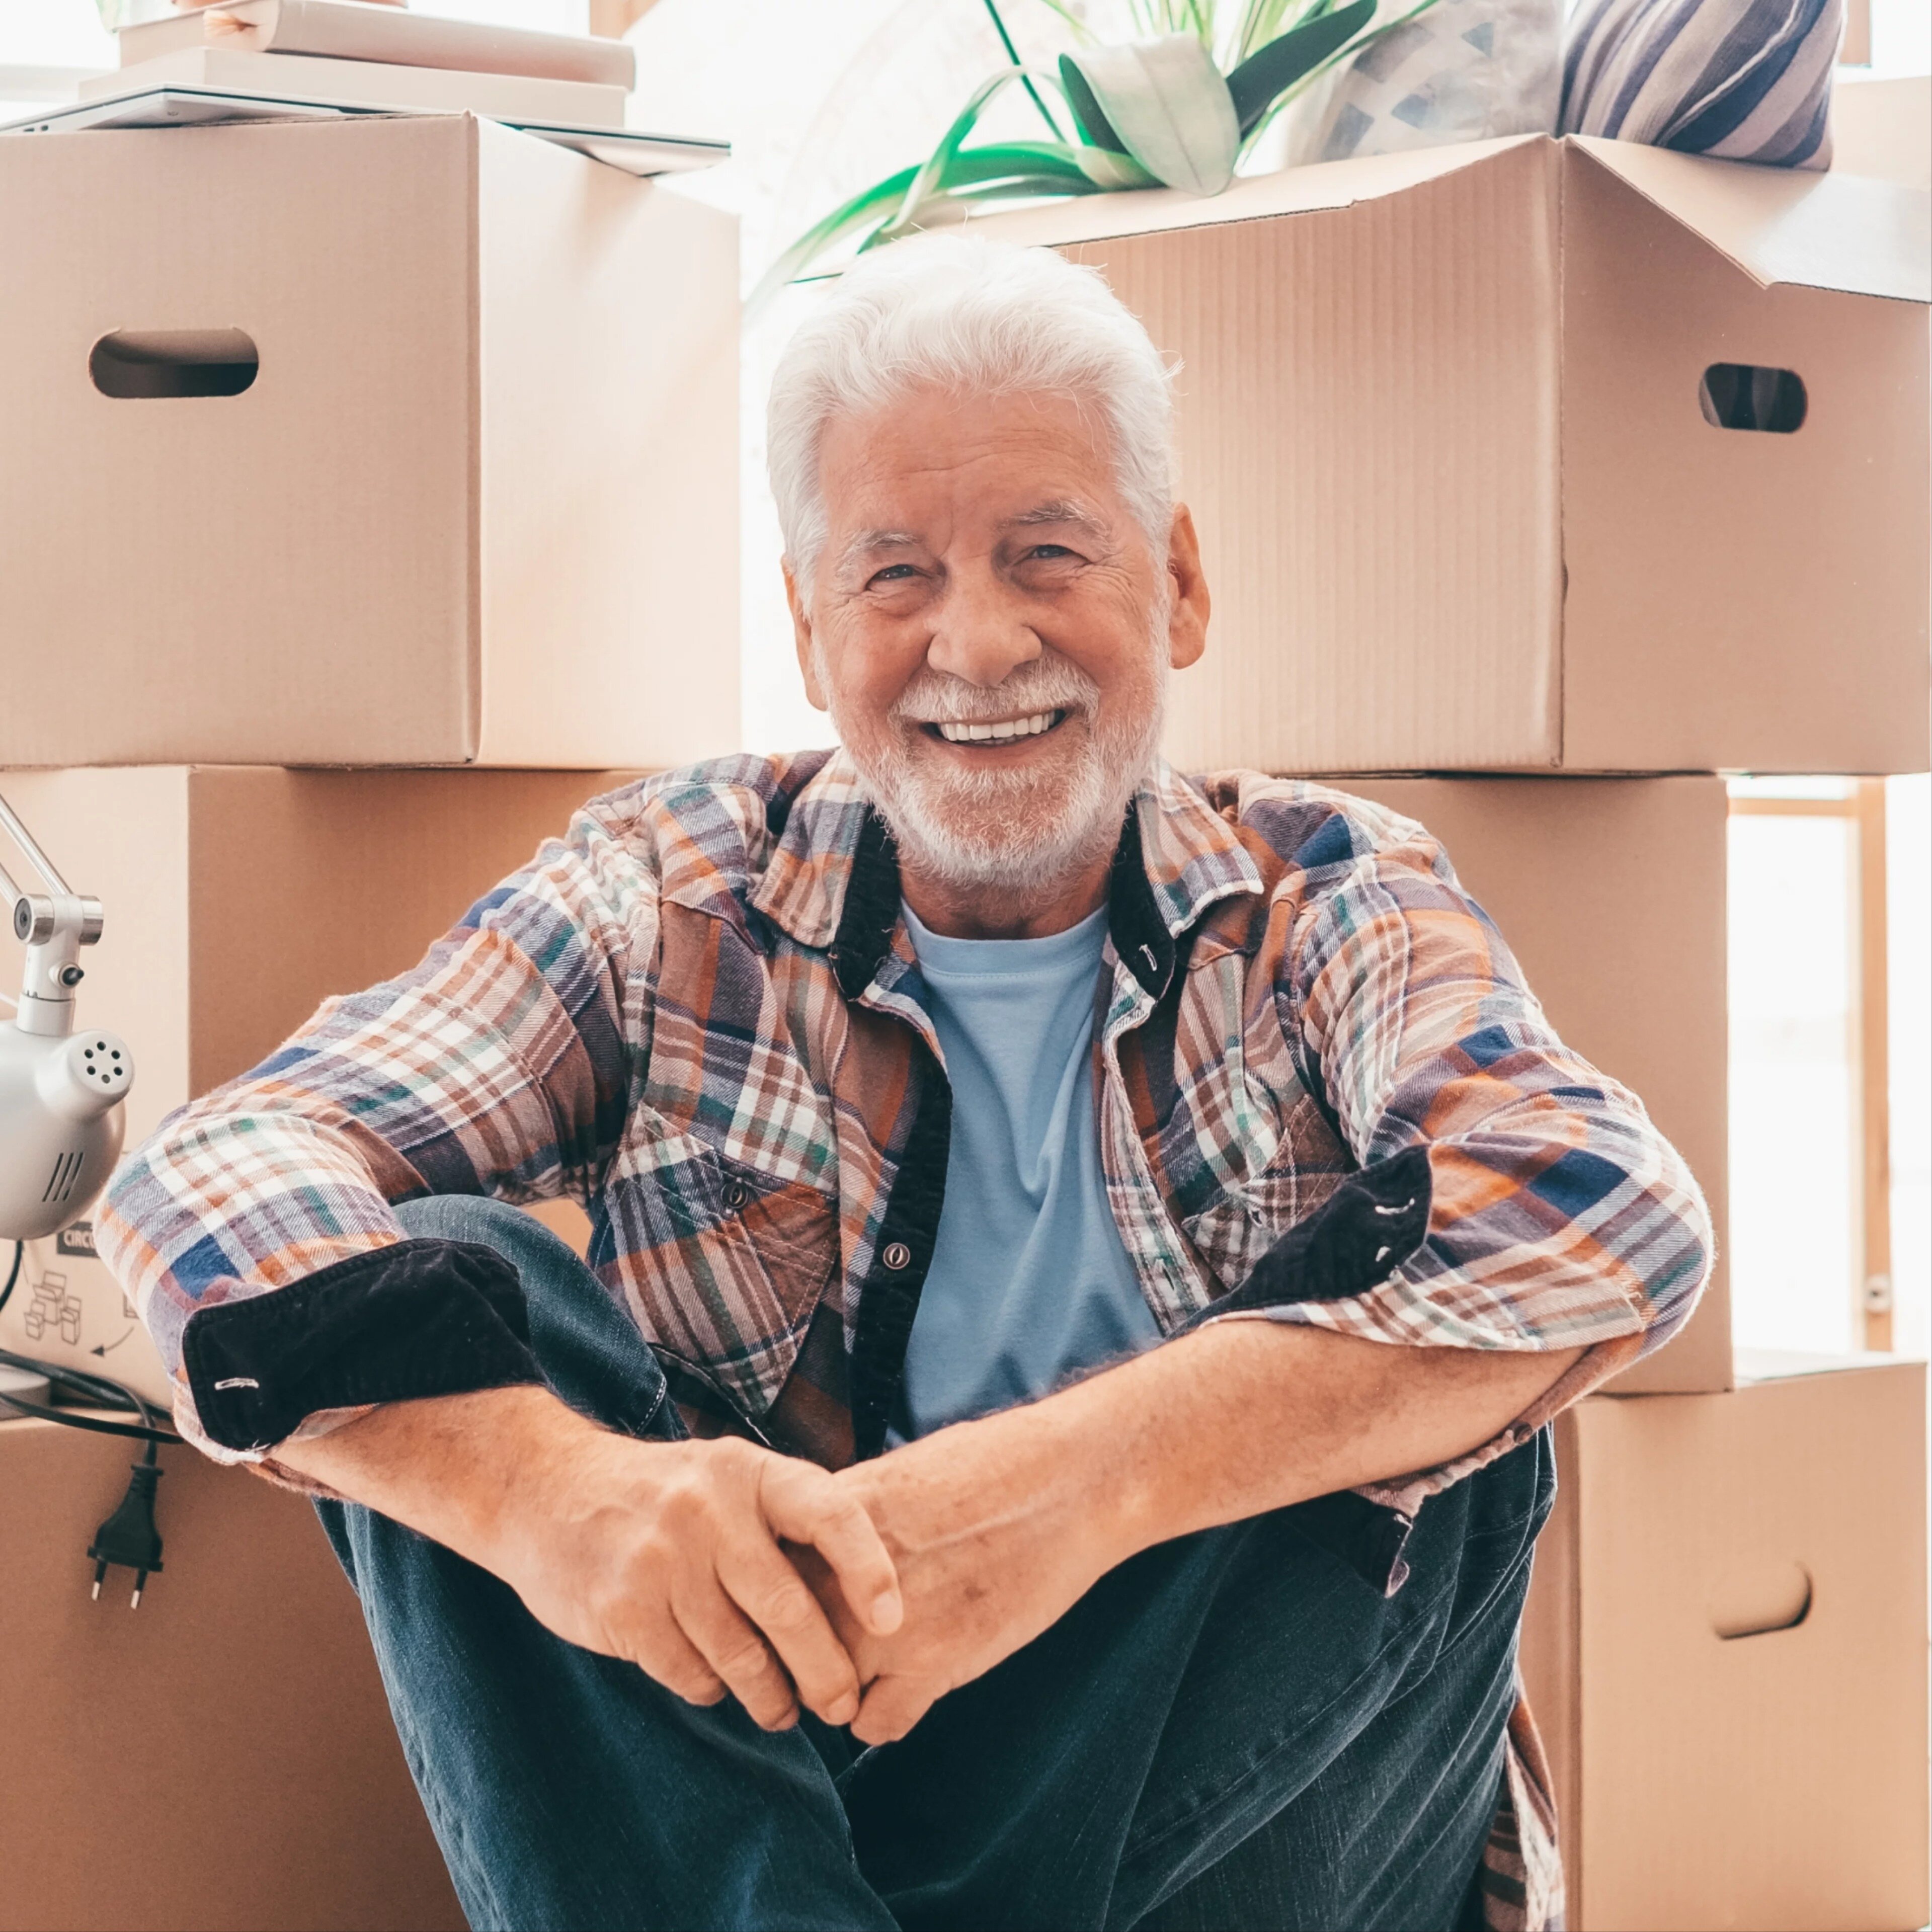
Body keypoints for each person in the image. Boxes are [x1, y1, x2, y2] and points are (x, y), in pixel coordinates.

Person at [101, 235, 1711, 1932]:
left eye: (1047, 554)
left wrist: (1062, 1497)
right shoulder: (674, 893)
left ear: (1178, 582)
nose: (980, 641)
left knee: (1457, 1410)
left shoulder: (1328, 893)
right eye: (896, 577)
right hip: (796, 1806)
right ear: (809, 627)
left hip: (1245, 1829)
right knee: (450, 1284)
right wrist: (550, 1498)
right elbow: (218, 1171)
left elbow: (1604, 1209)